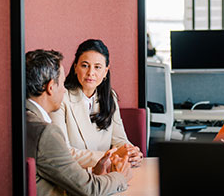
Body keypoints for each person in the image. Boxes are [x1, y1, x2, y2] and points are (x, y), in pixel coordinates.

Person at [25, 49, 132, 195]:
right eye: (62, 83)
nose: (64, 90)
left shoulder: (24, 119)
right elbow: (89, 190)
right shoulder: (46, 133)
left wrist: (94, 171)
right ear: (50, 87)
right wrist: (120, 177)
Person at [49, 39, 143, 170]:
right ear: (75, 67)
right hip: (75, 176)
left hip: (106, 174)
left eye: (97, 67)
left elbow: (119, 140)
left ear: (105, 71)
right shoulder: (61, 98)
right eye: (85, 65)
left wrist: (131, 153)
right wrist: (110, 156)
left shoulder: (110, 97)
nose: (90, 73)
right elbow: (63, 152)